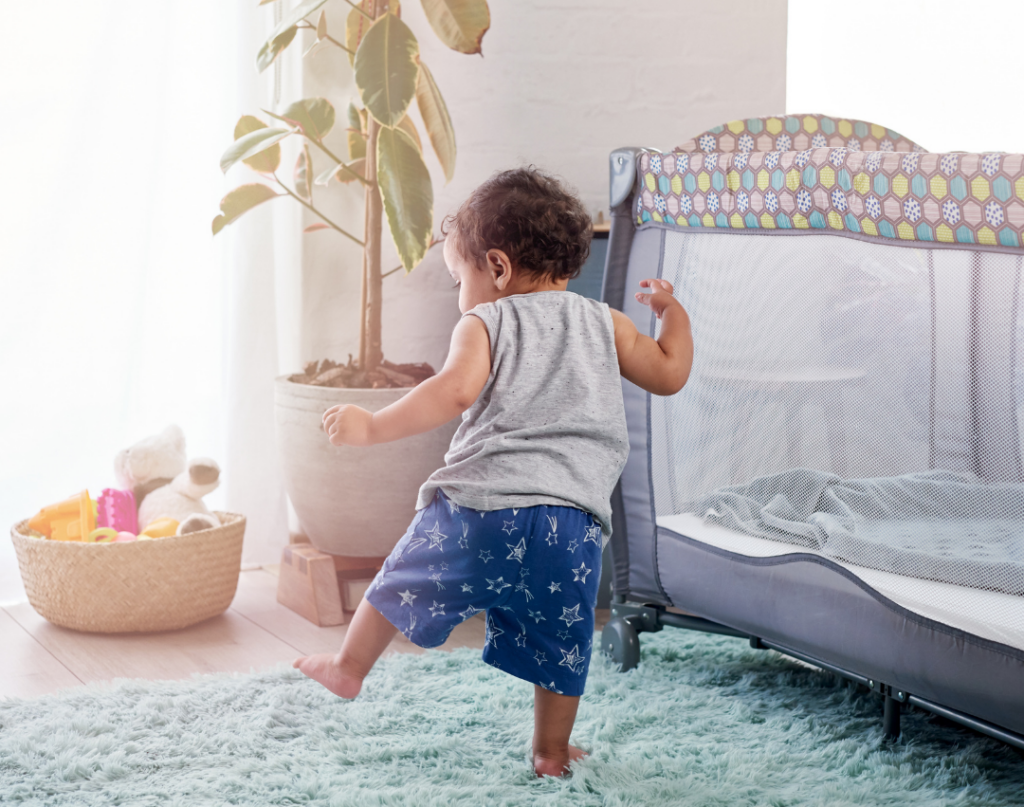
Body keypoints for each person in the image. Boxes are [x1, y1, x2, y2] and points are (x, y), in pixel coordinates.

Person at [294, 167, 693, 778]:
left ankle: (348, 668)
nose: (461, 293)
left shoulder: (486, 322)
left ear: (498, 268)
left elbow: (453, 392)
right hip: (571, 527)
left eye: (460, 277)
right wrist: (674, 317)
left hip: (482, 511)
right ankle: (551, 753)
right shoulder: (607, 323)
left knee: (402, 576)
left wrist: (372, 427)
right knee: (564, 640)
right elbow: (669, 374)